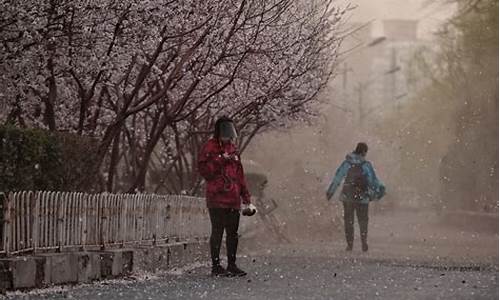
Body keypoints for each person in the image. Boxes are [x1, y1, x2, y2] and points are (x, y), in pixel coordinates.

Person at [198, 116, 251, 277]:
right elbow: (205, 171)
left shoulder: (233, 149)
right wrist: (220, 160)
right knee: (218, 232)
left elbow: (240, 176)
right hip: (217, 198)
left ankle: (232, 264)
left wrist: (246, 197)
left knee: (233, 233)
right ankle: (216, 266)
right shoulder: (210, 147)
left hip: (233, 198)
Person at [326, 142, 385, 252]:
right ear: (363, 152)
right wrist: (379, 192)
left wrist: (330, 192)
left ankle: (350, 245)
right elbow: (373, 181)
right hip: (362, 197)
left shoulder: (347, 163)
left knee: (349, 221)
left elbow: (337, 178)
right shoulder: (366, 165)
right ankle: (363, 242)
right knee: (363, 220)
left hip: (347, 196)